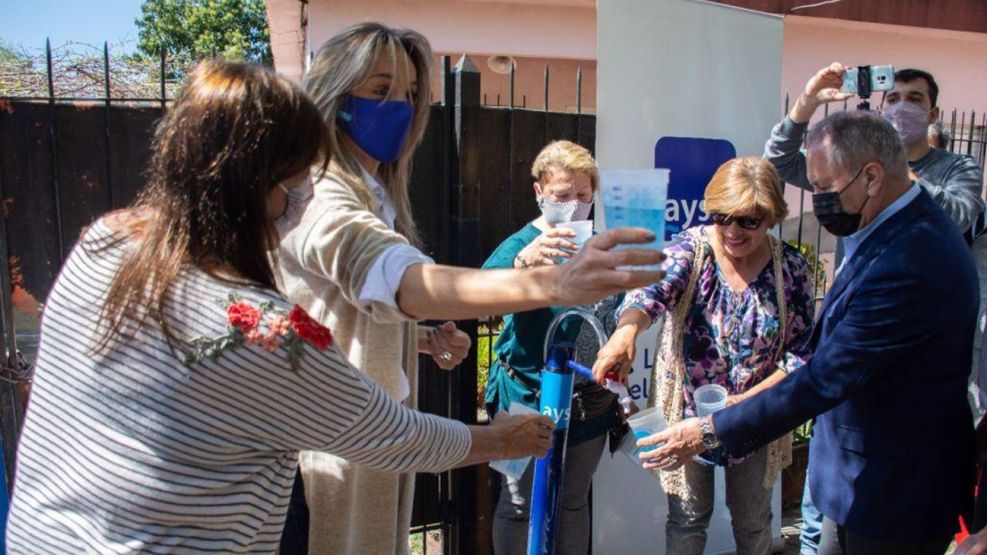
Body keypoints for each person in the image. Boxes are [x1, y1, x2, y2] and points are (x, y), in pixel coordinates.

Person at [3, 61, 559, 553]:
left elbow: (186, 366)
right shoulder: (268, 333)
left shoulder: (107, 242)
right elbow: (395, 435)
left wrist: (417, 338)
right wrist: (503, 439)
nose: (308, 196)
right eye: (302, 178)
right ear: (264, 186)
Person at [275, 23, 665, 554]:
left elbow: (336, 319)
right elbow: (396, 279)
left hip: (377, 448)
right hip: (336, 457)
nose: (400, 108)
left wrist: (421, 340)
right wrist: (548, 280)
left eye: (412, 94)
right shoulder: (323, 195)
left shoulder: (374, 194)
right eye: (379, 90)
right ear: (335, 94)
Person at [646, 111, 978, 555]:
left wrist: (707, 430)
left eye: (822, 187)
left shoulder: (909, 258)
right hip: (854, 483)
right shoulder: (888, 230)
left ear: (872, 177)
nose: (818, 198)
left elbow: (824, 375)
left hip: (893, 498)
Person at [764, 63, 986, 554]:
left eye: (914, 98)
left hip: (899, 421)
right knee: (824, 509)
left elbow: (958, 214)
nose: (901, 106)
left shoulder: (953, 173)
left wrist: (889, 169)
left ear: (934, 111)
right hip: (844, 419)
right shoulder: (845, 170)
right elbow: (778, 164)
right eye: (893, 97)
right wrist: (807, 101)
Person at [593, 157, 815, 555]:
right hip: (688, 414)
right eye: (721, 216)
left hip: (755, 413)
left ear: (771, 217)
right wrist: (626, 331)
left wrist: (741, 405)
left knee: (753, 522)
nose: (732, 230)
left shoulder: (791, 269)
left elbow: (800, 358)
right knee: (688, 520)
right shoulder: (691, 250)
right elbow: (649, 294)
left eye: (748, 220)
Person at [481, 140, 622, 554]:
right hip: (526, 395)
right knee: (520, 504)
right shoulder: (523, 243)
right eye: (562, 196)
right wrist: (524, 265)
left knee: (574, 503)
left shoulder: (600, 243)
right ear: (539, 193)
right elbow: (483, 297)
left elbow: (623, 303)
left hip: (587, 402)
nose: (574, 207)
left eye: (582, 195)